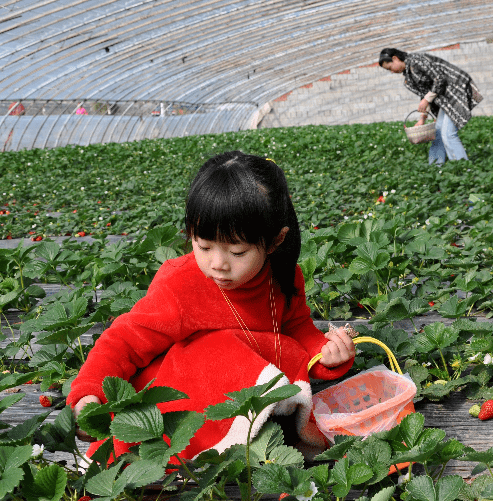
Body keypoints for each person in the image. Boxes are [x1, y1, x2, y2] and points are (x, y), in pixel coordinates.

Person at [66, 151, 356, 464]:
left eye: (237, 251)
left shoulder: (285, 276)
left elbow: (296, 327)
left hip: (246, 398)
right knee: (218, 345)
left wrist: (324, 353)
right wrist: (89, 393)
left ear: (275, 242)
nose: (218, 264)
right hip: (186, 403)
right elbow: (124, 340)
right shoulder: (182, 284)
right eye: (203, 246)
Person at [379, 48, 482, 165]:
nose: (391, 72)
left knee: (448, 134)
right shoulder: (409, 77)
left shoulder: (416, 61)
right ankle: (436, 167)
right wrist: (422, 118)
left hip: (456, 91)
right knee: (438, 132)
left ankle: (463, 168)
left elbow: (439, 78)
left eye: (390, 68)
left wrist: (426, 99)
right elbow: (425, 95)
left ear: (395, 58)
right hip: (445, 99)